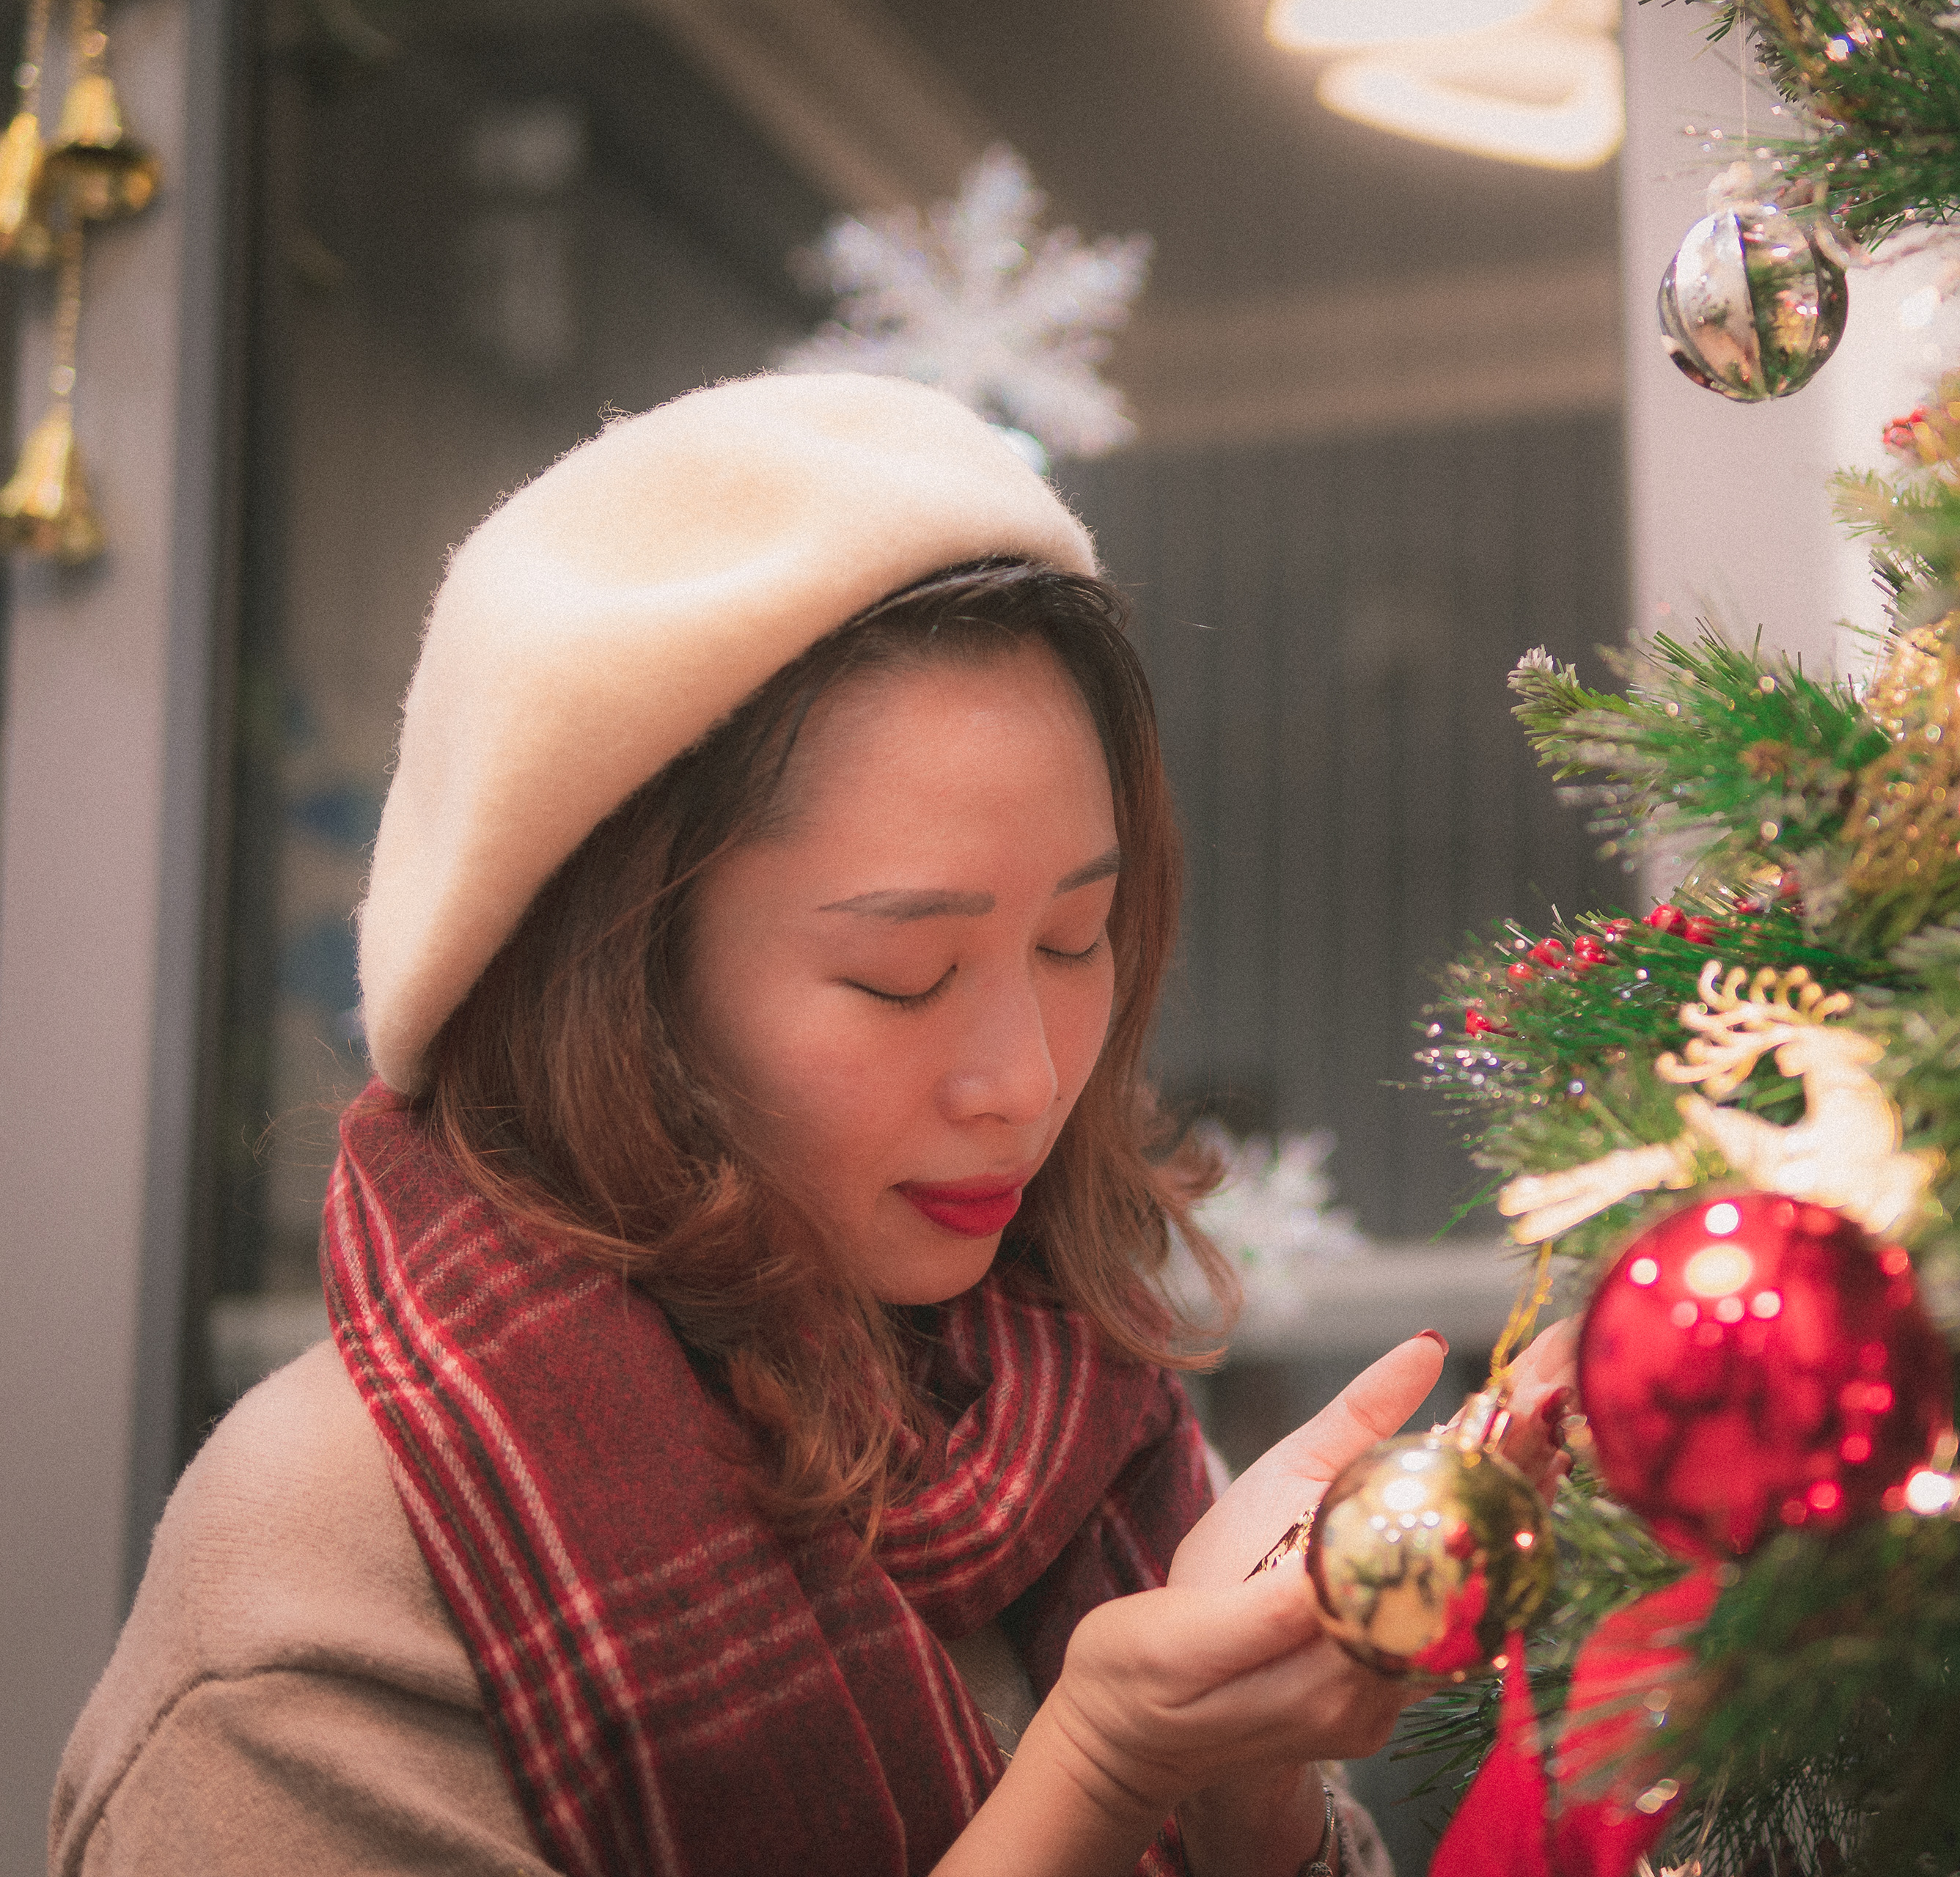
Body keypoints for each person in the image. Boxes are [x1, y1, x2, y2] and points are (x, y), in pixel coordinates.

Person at [52, 375, 1568, 1876]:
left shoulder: (1066, 1401)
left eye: (1075, 939)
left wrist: (1251, 1777)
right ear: (617, 989)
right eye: (902, 975)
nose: (1027, 1079)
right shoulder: (330, 1582)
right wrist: (1103, 1770)